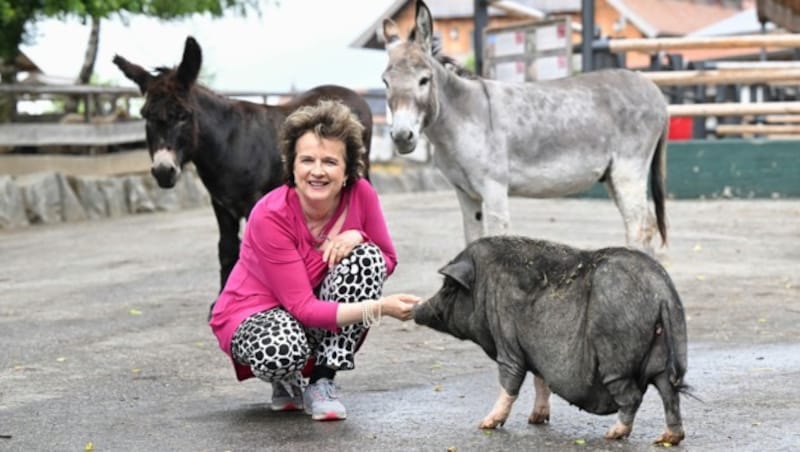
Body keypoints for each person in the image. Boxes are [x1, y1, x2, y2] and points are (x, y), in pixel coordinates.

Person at [209, 99, 419, 421]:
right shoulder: (269, 215)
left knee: (368, 259)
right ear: (292, 165)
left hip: (310, 307)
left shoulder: (361, 194)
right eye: (307, 160)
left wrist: (359, 236)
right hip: (257, 311)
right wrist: (381, 308)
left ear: (348, 169)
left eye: (330, 161)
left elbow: (387, 258)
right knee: (281, 351)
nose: (317, 171)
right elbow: (303, 309)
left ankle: (323, 380)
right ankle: (285, 377)